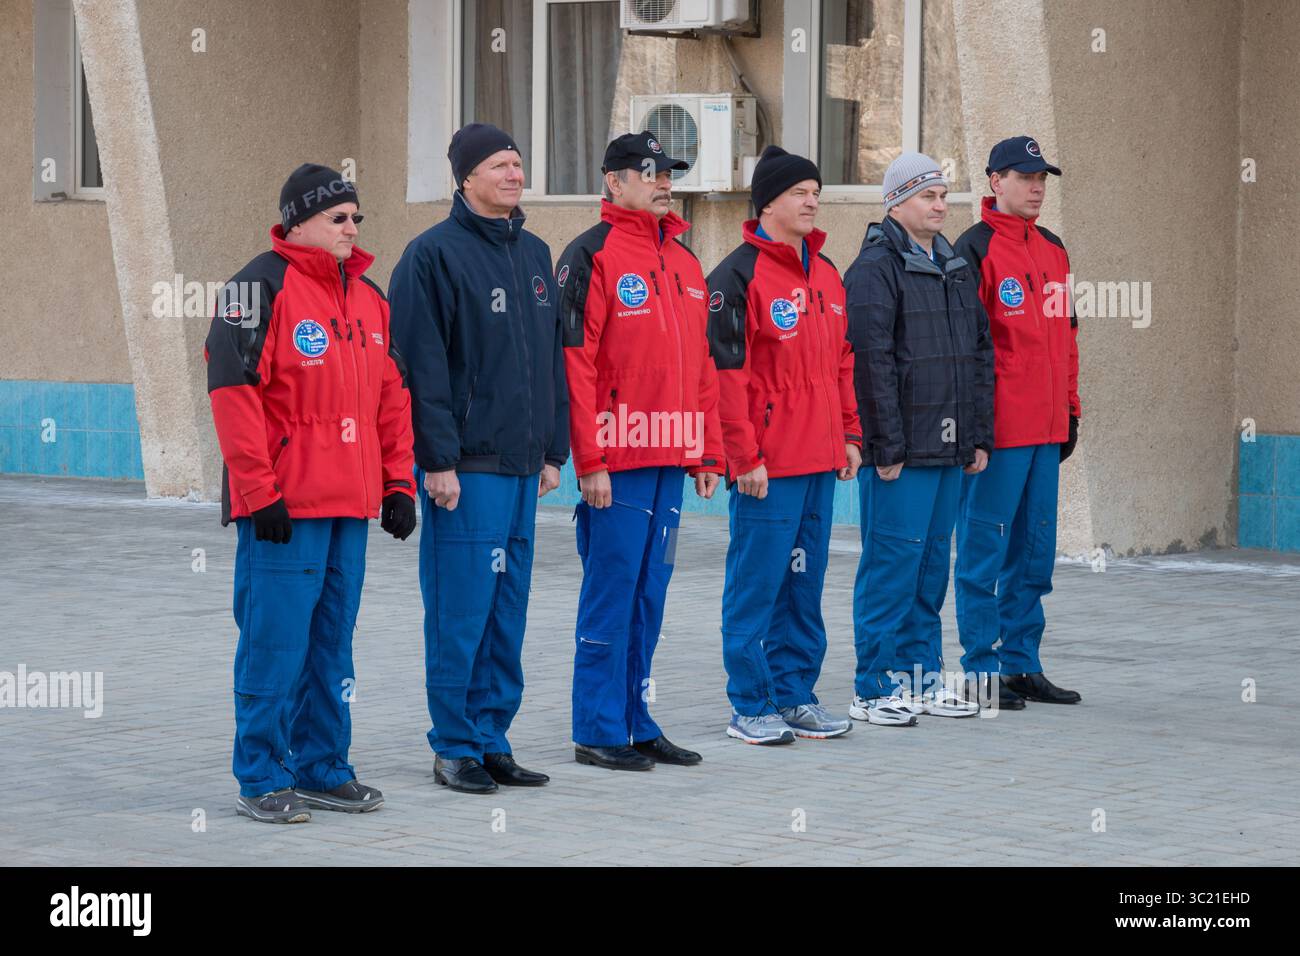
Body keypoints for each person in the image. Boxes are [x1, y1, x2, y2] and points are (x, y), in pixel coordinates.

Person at [205, 163, 417, 823]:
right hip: (284, 511)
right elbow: (232, 395)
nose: (351, 227)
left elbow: (392, 401)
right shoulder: (255, 288)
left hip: (348, 510)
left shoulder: (370, 300)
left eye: (356, 217)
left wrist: (398, 482)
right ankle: (262, 776)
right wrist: (258, 490)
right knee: (275, 643)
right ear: (297, 220)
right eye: (338, 217)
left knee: (332, 643)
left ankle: (323, 767)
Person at [388, 124, 568, 794]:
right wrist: (437, 460)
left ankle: (493, 738)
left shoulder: (535, 254)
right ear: (465, 177)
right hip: (467, 469)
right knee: (462, 612)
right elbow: (419, 368)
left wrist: (555, 450)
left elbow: (550, 362)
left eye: (519, 163)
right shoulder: (431, 257)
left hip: (524, 470)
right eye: (500, 164)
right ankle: (454, 744)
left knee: (506, 612)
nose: (515, 174)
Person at [555, 131, 723, 772]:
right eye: (647, 172)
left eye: (667, 172)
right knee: (612, 589)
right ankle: (597, 728)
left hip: (669, 461)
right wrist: (589, 459)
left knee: (651, 591)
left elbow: (702, 365)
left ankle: (637, 719)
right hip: (618, 460)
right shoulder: (591, 255)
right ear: (613, 182)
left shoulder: (683, 261)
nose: (662, 182)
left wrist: (707, 451)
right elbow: (577, 364)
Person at [705, 146, 861, 745]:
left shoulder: (825, 274)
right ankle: (750, 702)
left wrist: (850, 434)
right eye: (800, 191)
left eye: (816, 190)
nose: (813, 200)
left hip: (820, 461)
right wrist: (744, 458)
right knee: (757, 585)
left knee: (804, 584)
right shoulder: (737, 277)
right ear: (767, 201)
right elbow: (727, 378)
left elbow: (842, 362)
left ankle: (795, 694)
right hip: (767, 468)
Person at [843, 152, 994, 727]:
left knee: (931, 569)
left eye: (943, 195)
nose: (940, 205)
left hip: (950, 449)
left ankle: (920, 679)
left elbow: (980, 355)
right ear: (896, 202)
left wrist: (977, 437)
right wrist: (885, 445)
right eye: (927, 196)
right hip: (900, 456)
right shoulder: (875, 270)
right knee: (891, 568)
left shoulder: (955, 266)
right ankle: (872, 686)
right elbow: (870, 363)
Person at [952, 136, 1082, 708]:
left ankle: (1021, 662)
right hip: (1000, 433)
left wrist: (1071, 410)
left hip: (1046, 430)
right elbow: (967, 349)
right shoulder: (973, 249)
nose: (1036, 188)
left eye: (1042, 179)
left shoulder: (1053, 249)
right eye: (1025, 177)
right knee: (984, 550)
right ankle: (981, 668)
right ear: (994, 182)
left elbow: (1068, 340)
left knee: (1035, 553)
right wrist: (976, 428)